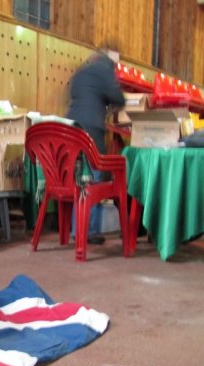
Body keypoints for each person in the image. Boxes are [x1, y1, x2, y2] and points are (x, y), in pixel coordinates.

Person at [66, 46, 125, 244]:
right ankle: (87, 231)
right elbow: (118, 98)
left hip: (71, 129)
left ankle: (78, 230)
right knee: (93, 178)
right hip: (91, 130)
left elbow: (73, 94)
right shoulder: (105, 71)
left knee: (80, 181)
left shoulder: (81, 72)